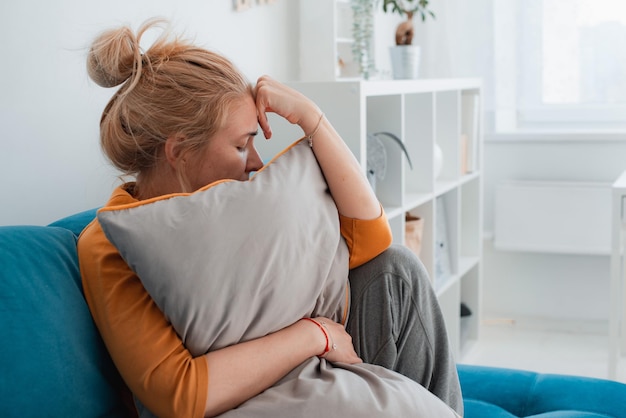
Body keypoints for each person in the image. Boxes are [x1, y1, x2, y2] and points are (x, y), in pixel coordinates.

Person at [78, 18, 463, 418]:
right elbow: (181, 395)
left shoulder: (245, 200)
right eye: (242, 145)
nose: (257, 162)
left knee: (397, 269)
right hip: (259, 388)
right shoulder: (108, 244)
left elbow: (372, 239)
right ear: (180, 151)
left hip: (324, 355)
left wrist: (313, 120)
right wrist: (313, 336)